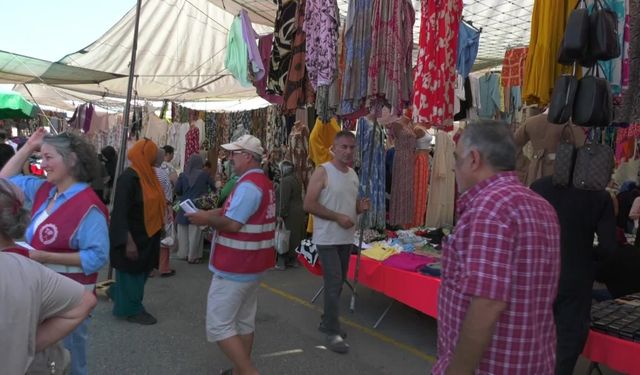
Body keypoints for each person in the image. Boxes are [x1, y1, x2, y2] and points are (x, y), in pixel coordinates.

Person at [433, 120, 561, 374]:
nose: (455, 169)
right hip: (533, 361)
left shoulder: (489, 208)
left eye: (457, 159)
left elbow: (487, 304)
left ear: (474, 159)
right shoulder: (541, 206)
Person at [0, 128, 109, 375]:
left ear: (71, 160)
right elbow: (3, 182)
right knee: (45, 360)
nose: (42, 163)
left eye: (49, 158)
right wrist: (28, 146)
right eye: (42, 157)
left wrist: (44, 256)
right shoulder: (44, 190)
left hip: (68, 298)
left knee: (70, 361)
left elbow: (97, 257)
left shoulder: (90, 206)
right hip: (40, 292)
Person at [187, 134, 275, 375]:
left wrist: (205, 219)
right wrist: (210, 212)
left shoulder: (248, 186)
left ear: (247, 156)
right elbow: (234, 212)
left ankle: (248, 372)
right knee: (244, 321)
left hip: (235, 266)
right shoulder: (261, 183)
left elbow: (233, 224)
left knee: (219, 325)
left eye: (234, 154)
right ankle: (239, 371)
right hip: (253, 265)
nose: (230, 158)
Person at [531, 174, 616, 375]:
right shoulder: (598, 195)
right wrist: (586, 257)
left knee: (534, 337)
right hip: (575, 278)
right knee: (567, 344)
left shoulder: (538, 187)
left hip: (539, 274)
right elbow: (608, 248)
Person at [303, 130, 370, 354]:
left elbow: (349, 206)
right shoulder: (323, 172)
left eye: (352, 147)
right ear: (334, 147)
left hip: (346, 238)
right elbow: (309, 204)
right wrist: (337, 217)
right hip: (327, 239)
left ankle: (327, 320)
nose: (348, 151)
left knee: (338, 283)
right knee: (333, 283)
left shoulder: (353, 174)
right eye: (344, 147)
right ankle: (332, 331)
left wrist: (359, 209)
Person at [109, 138, 165, 325]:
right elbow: (120, 213)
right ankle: (132, 310)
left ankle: (121, 296)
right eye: (152, 153)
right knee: (130, 275)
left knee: (139, 273)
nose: (156, 156)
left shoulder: (147, 175)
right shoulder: (129, 178)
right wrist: (128, 241)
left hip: (146, 237)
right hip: (133, 238)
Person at [175, 154, 215, 264]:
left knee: (183, 232)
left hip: (184, 207)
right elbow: (214, 187)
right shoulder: (205, 175)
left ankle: (183, 254)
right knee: (195, 233)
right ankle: (193, 256)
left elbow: (178, 190)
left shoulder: (183, 175)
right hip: (197, 207)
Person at [275, 160, 305, 270]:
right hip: (298, 211)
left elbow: (284, 200)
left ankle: (282, 262)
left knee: (284, 237)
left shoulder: (286, 181)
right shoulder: (295, 179)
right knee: (295, 237)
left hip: (289, 213)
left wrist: (280, 214)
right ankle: (294, 260)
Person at [153, 148, 176, 278]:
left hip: (149, 207)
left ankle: (150, 268)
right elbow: (173, 184)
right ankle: (163, 268)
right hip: (164, 207)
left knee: (150, 236)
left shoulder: (146, 170)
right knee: (165, 238)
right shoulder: (165, 170)